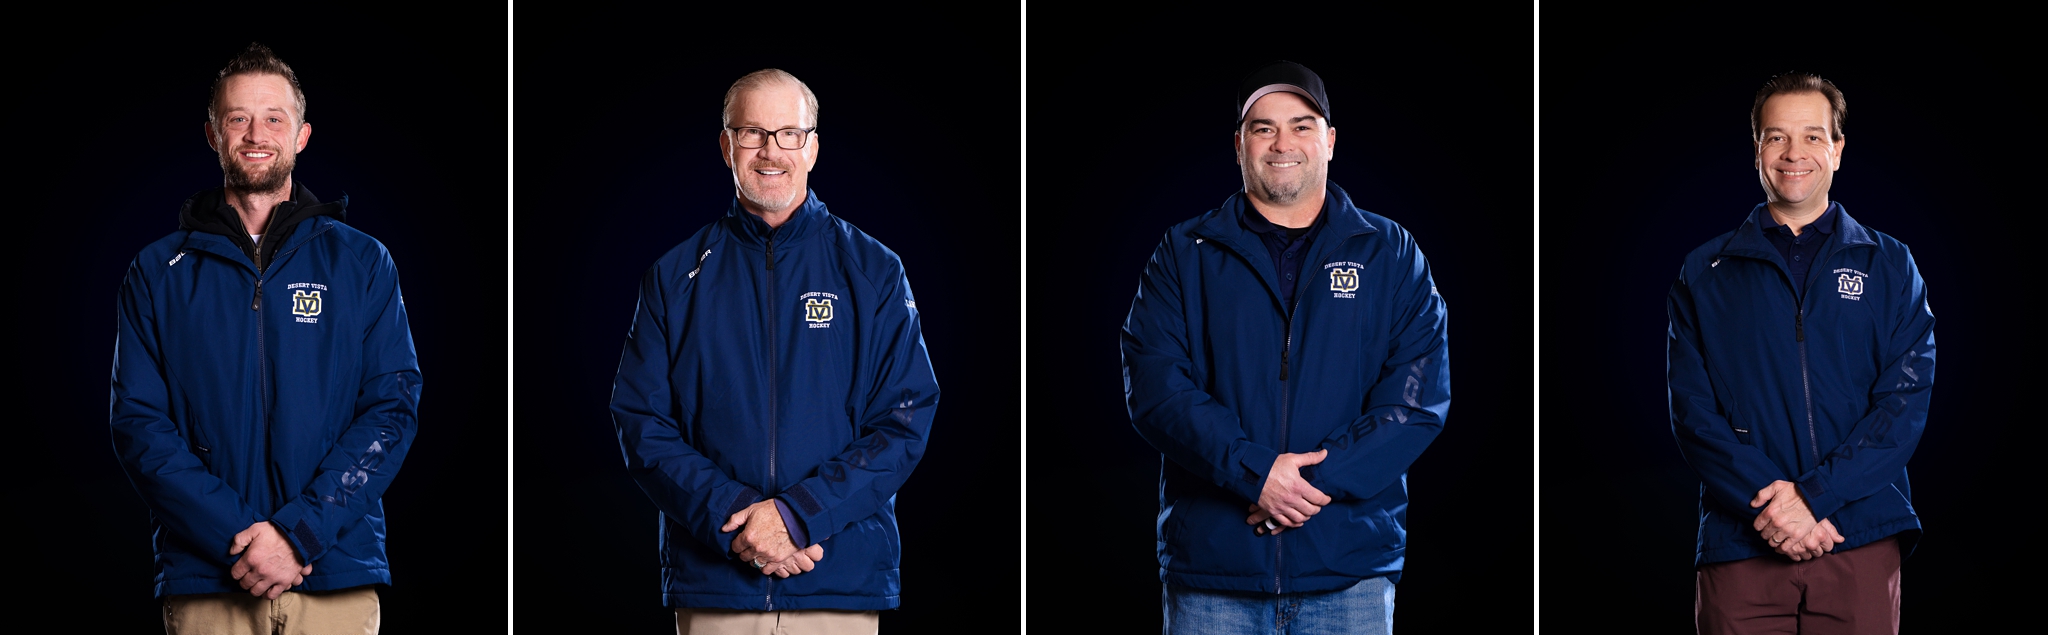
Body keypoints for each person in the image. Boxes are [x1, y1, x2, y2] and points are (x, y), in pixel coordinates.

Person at [1119, 60, 1450, 634]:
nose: (1282, 143)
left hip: (1347, 574)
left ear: (1330, 141)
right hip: (1214, 579)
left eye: (1301, 125)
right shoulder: (1183, 252)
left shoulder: (1391, 254)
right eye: (1263, 127)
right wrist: (1254, 471)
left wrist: (1301, 486)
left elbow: (1415, 401)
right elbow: (1156, 388)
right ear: (1240, 144)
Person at [609, 68, 940, 634]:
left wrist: (796, 516)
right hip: (717, 585)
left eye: (788, 133)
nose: (771, 151)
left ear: (812, 147)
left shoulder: (875, 271)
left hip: (836, 579)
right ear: (725, 145)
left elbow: (904, 422)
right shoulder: (672, 278)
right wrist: (739, 522)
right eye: (751, 133)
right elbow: (641, 423)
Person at [110, 42, 419, 633]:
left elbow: (391, 410)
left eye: (274, 118)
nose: (257, 134)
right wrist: (240, 539)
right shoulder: (155, 273)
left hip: (333, 573)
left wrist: (300, 533)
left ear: (301, 135)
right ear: (212, 135)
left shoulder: (362, 264)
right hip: (208, 579)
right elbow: (138, 425)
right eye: (238, 119)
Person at [1667, 71, 1934, 634]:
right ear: (1757, 149)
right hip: (1741, 543)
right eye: (1776, 136)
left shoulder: (1890, 265)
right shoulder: (1704, 272)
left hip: (1857, 532)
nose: (1794, 153)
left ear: (1837, 150)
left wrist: (1814, 498)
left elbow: (1904, 402)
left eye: (1813, 136)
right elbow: (1693, 413)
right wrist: (1774, 510)